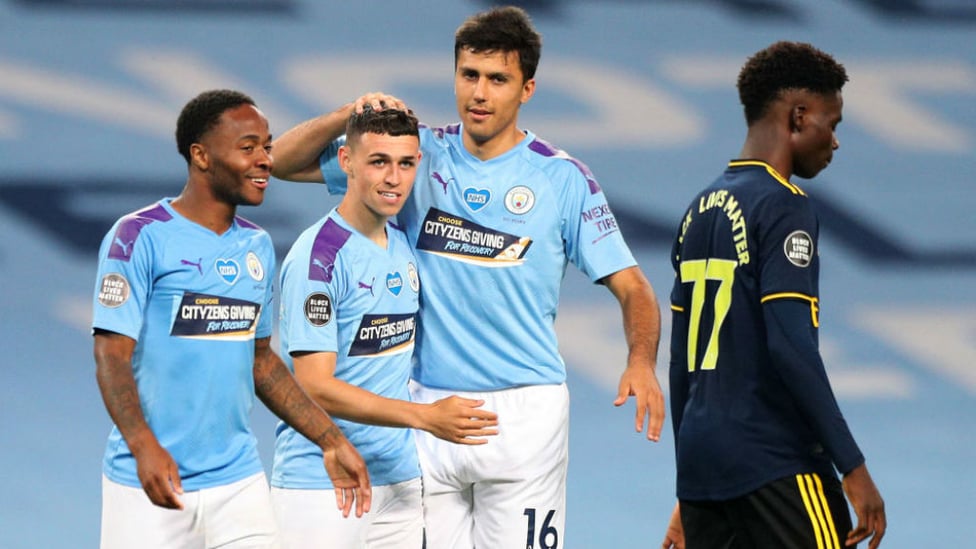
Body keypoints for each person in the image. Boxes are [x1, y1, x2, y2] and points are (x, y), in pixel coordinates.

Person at [270, 6, 666, 548]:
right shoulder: (412, 155)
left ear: (527, 88)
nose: (479, 93)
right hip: (427, 409)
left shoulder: (562, 178)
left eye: (498, 79)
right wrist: (348, 114)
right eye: (469, 75)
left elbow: (632, 286)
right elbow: (282, 163)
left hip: (524, 415)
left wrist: (640, 361)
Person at [92, 89, 371, 549]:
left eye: (267, 145)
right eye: (248, 148)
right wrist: (143, 446)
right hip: (151, 482)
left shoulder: (257, 245)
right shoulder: (139, 236)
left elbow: (261, 362)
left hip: (238, 482)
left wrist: (330, 438)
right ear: (201, 156)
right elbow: (110, 354)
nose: (265, 160)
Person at [661, 42, 886, 549]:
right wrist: (852, 466)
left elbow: (682, 364)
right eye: (834, 123)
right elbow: (791, 347)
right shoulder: (785, 206)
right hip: (775, 462)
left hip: (704, 465)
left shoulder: (698, 209)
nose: (835, 141)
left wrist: (690, 485)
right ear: (800, 116)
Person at [269, 105, 499, 548]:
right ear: (347, 163)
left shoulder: (402, 245)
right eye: (379, 162)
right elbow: (316, 386)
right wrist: (425, 417)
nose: (394, 178)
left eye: (406, 163)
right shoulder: (318, 258)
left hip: (398, 481)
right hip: (322, 484)